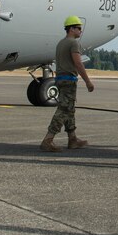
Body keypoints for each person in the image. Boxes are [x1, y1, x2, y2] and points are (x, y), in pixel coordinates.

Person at [39, 15, 95, 152]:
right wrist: (88, 81)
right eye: (78, 28)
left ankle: (72, 139)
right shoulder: (73, 44)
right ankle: (48, 139)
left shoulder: (61, 43)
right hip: (68, 80)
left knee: (69, 110)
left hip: (60, 79)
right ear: (71, 29)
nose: (81, 31)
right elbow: (78, 63)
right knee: (64, 110)